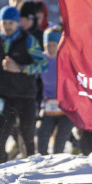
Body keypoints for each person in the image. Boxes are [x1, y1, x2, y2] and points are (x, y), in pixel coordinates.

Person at [0, 5, 48, 165]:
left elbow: (43, 65)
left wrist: (21, 68)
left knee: (26, 134)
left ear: (17, 24)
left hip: (25, 94)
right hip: (2, 94)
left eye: (10, 23)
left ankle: (31, 168)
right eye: (4, 23)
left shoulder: (28, 40)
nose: (7, 27)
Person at [36, 26, 71, 155]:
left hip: (67, 109)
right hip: (48, 106)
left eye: (53, 45)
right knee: (41, 143)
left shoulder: (68, 59)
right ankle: (44, 170)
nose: (50, 49)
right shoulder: (41, 60)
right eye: (47, 45)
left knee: (59, 146)